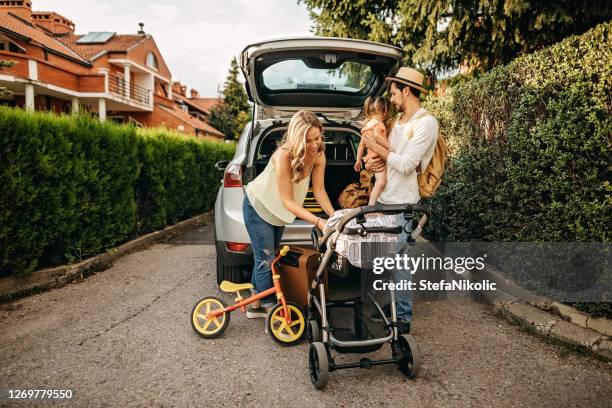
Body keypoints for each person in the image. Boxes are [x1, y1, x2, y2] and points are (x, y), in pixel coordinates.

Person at [361, 67, 439, 334]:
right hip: (383, 199)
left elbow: (406, 164)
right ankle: (390, 311)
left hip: (403, 205)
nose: (391, 98)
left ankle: (401, 321)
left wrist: (377, 146)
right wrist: (370, 161)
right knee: (387, 262)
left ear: (407, 91)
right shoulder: (397, 122)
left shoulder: (425, 124)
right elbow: (387, 159)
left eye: (394, 93)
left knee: (397, 264)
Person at [243, 110, 335, 318]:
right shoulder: (283, 156)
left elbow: (319, 191)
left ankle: (255, 301)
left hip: (278, 213)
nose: (314, 145)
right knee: (265, 259)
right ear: (297, 138)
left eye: (317, 138)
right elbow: (288, 201)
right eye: (308, 140)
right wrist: (319, 222)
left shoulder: (319, 154)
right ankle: (269, 309)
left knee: (271, 256)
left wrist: (333, 216)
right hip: (258, 207)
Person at [354, 96, 394, 206]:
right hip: (378, 157)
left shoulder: (367, 126)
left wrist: (358, 160)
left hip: (370, 158)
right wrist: (389, 147)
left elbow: (361, 145)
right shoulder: (378, 124)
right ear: (385, 112)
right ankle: (371, 205)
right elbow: (377, 136)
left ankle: (373, 203)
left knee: (378, 182)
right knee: (382, 182)